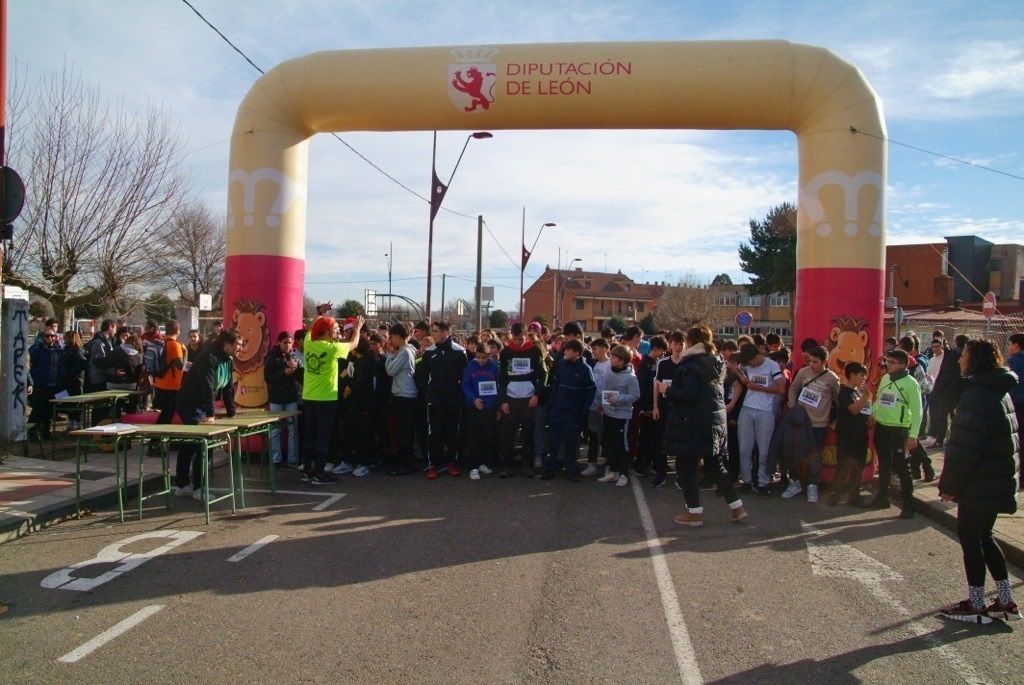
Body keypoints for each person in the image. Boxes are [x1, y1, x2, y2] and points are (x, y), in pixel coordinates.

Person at [938, 339, 1021, 624]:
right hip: (996, 479)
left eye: (964, 357)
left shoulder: (976, 394)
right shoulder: (998, 389)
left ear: (975, 361)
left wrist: (949, 486)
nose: (959, 361)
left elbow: (964, 448)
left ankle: (975, 605)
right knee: (985, 536)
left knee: (971, 539)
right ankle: (1006, 599)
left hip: (979, 482)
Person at [667, 327, 747, 526]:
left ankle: (694, 513)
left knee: (686, 466)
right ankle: (738, 508)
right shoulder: (716, 362)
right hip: (714, 420)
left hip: (693, 422)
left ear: (690, 341)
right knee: (715, 465)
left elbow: (689, 394)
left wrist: (668, 390)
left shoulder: (691, 364)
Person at [174, 330, 242, 499]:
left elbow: (227, 389)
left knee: (191, 444)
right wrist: (211, 414)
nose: (240, 348)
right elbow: (207, 387)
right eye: (237, 344)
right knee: (201, 444)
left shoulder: (228, 359)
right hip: (190, 404)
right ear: (226, 344)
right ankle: (198, 488)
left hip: (202, 405)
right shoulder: (208, 357)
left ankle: (182, 484)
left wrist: (231, 413)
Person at [301, 306, 362, 484]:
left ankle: (307, 470)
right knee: (322, 437)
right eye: (335, 329)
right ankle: (320, 473)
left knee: (310, 435)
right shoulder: (332, 348)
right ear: (327, 332)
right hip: (326, 398)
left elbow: (311, 328)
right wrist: (357, 330)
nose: (338, 332)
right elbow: (354, 345)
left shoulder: (308, 343)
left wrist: (320, 314)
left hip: (309, 396)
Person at [782, 345, 839, 503]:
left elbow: (837, 399)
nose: (812, 365)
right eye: (810, 361)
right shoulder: (803, 372)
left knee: (815, 455)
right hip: (801, 420)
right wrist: (792, 405)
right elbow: (793, 388)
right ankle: (795, 482)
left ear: (824, 362)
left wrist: (835, 419)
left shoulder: (832, 378)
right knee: (796, 453)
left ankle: (812, 485)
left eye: (815, 362)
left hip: (819, 423)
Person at [869, 348, 922, 518]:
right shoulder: (886, 377)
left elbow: (917, 410)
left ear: (902, 364)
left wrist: (913, 435)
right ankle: (882, 497)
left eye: (891, 362)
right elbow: (879, 398)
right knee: (884, 463)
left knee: (901, 467)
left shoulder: (911, 383)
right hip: (882, 426)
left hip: (898, 429)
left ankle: (909, 505)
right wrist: (873, 413)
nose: (887, 365)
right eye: (887, 361)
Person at [731, 342, 785, 494]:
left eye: (751, 362)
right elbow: (746, 381)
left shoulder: (772, 366)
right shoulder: (747, 365)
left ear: (756, 356)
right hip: (747, 409)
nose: (750, 365)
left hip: (765, 411)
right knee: (744, 448)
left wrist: (760, 388)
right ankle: (746, 480)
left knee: (764, 449)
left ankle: (763, 481)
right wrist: (737, 373)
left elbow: (781, 389)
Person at [497, 322, 546, 478]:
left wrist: (537, 395)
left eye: (521, 339)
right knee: (508, 434)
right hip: (511, 399)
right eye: (515, 339)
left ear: (526, 335)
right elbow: (502, 378)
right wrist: (503, 400)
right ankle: (507, 466)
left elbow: (543, 374)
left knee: (528, 434)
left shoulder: (535, 351)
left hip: (529, 399)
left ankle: (527, 465)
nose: (518, 342)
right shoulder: (505, 353)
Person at [543, 339, 596, 481]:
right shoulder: (561, 365)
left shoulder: (585, 369)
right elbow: (555, 386)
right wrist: (551, 406)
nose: (565, 352)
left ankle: (571, 471)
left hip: (573, 413)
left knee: (571, 444)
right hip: (557, 410)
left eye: (568, 350)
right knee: (553, 442)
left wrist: (583, 410)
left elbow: (591, 390)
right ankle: (550, 470)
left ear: (577, 353)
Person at [422, 321, 468, 478]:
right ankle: (433, 464)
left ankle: (452, 462)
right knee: (434, 432)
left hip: (453, 399)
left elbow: (464, 377)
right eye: (433, 331)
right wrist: (428, 394)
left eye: (436, 331)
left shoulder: (459, 351)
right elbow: (421, 376)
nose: (433, 334)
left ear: (445, 333)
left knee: (452, 431)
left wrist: (459, 396)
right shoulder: (428, 352)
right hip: (435, 400)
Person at [595, 345, 641, 487]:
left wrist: (619, 398)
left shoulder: (630, 377)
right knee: (610, 442)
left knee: (621, 444)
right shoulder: (610, 372)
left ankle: (623, 474)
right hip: (609, 413)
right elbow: (606, 390)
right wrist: (604, 403)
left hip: (621, 416)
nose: (611, 359)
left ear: (622, 361)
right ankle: (613, 471)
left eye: (614, 357)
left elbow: (635, 395)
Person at [828, 361, 871, 507]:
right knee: (843, 467)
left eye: (864, 376)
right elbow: (854, 409)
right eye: (860, 375)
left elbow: (865, 411)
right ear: (851, 375)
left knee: (858, 467)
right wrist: (866, 397)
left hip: (860, 435)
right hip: (847, 436)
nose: (863, 378)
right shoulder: (845, 392)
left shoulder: (859, 392)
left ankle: (854, 495)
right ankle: (835, 495)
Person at [461, 344, 501, 480]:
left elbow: (498, 388)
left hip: (489, 407)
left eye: (484, 357)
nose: (481, 360)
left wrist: (497, 408)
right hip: (474, 406)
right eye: (478, 357)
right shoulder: (471, 366)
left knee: (487, 436)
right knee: (474, 437)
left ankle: (483, 463)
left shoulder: (495, 368)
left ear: (489, 355)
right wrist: (474, 400)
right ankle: (473, 466)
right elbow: (465, 385)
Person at [264, 331, 302, 469]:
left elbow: (299, 377)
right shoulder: (272, 357)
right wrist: (284, 373)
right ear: (278, 342)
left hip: (291, 397)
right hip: (276, 399)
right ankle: (276, 460)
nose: (287, 345)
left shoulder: (294, 356)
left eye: (290, 342)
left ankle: (293, 459)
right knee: (275, 430)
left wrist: (297, 368)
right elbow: (269, 378)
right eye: (285, 342)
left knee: (293, 430)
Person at [385, 323, 419, 476]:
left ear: (398, 337)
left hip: (405, 396)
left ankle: (407, 464)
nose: (391, 340)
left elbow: (390, 370)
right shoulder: (409, 350)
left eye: (392, 337)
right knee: (403, 431)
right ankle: (405, 462)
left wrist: (391, 355)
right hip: (405, 395)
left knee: (404, 432)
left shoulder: (404, 352)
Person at [922, 334, 968, 448]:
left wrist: (938, 388)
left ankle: (940, 439)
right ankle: (956, 438)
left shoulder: (953, 355)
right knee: (955, 416)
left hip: (947, 391)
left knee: (942, 415)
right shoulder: (966, 355)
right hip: (960, 390)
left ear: (956, 342)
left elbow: (946, 374)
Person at [635, 335, 667, 483]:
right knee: (646, 438)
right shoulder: (644, 364)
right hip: (647, 406)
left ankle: (652, 463)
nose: (663, 354)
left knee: (655, 438)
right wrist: (645, 407)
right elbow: (643, 387)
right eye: (662, 350)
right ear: (655, 349)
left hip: (656, 406)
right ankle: (641, 465)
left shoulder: (659, 363)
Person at [28, 328, 63, 438]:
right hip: (41, 384)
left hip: (53, 384)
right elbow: (30, 363)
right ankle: (31, 432)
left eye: (52, 336)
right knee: (38, 408)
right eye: (47, 336)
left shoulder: (57, 350)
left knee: (49, 409)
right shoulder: (38, 349)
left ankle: (46, 432)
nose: (50, 338)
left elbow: (60, 366)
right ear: (43, 338)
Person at [152, 320, 187, 426]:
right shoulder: (175, 345)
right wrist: (185, 353)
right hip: (172, 384)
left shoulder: (162, 342)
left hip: (160, 381)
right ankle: (156, 437)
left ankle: (159, 437)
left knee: (167, 412)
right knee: (168, 413)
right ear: (177, 331)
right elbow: (180, 366)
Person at [60, 331, 88, 430]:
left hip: (75, 382)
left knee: (75, 403)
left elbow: (83, 363)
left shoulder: (76, 351)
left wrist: (72, 374)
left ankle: (76, 425)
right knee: (68, 402)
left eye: (66, 338)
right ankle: (71, 424)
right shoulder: (69, 350)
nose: (64, 339)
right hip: (70, 381)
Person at [1007, 333, 1024, 490]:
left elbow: (1011, 384)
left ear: (1016, 346)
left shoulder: (1013, 361)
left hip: (1017, 404)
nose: (1008, 347)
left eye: (1010, 344)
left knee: (1016, 441)